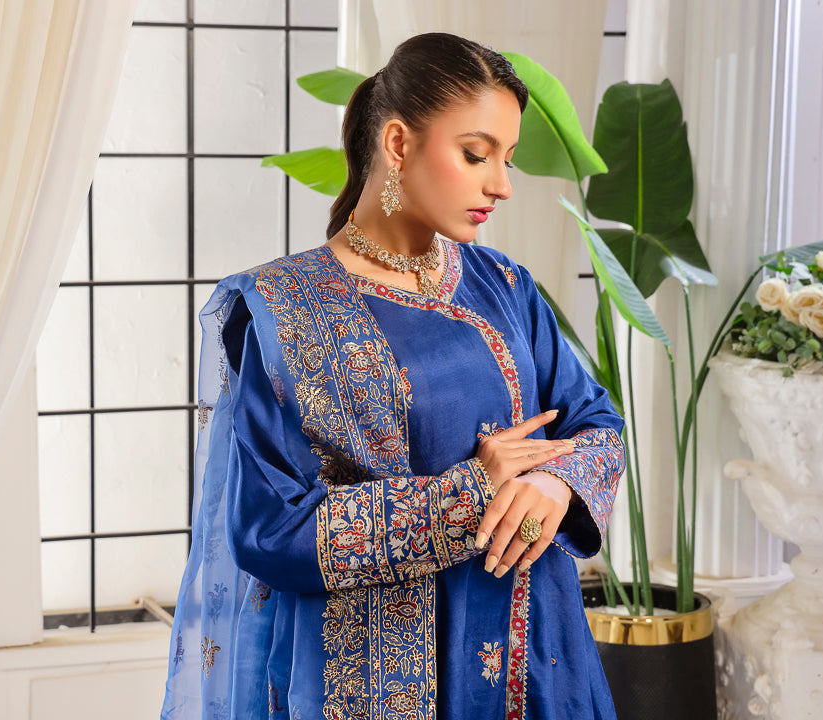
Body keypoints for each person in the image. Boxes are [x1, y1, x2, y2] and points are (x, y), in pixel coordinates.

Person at [161, 32, 625, 720]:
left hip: (537, 660)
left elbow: (597, 426)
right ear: (400, 143)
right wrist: (472, 491)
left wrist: (555, 482)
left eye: (507, 159)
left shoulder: (505, 287)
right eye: (476, 154)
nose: (501, 185)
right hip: (374, 687)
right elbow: (269, 533)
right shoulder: (287, 311)